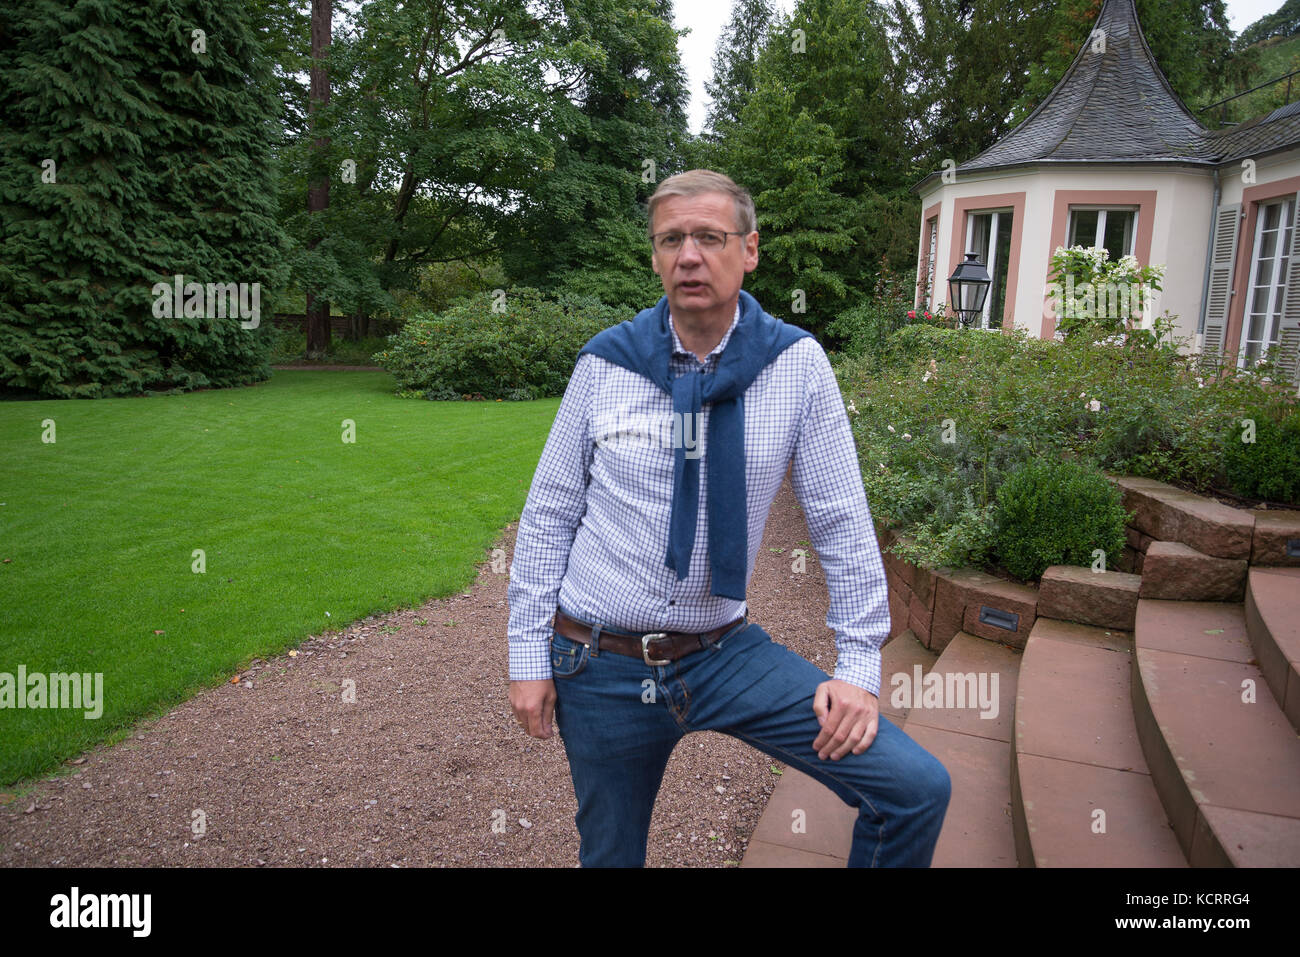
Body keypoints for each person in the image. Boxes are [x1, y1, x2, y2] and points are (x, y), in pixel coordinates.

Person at [506, 169, 950, 867]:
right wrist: (527, 655)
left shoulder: (797, 365)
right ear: (655, 257)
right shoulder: (605, 364)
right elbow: (548, 515)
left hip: (723, 652)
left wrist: (859, 666)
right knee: (611, 856)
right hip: (599, 659)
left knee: (914, 786)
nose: (689, 255)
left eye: (709, 237)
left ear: (749, 249)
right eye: (671, 239)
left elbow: (841, 521)